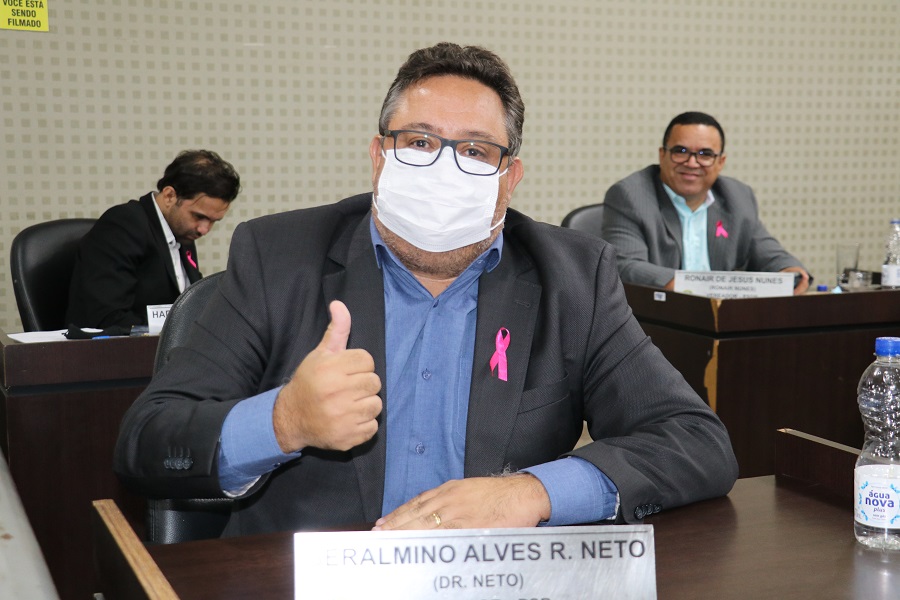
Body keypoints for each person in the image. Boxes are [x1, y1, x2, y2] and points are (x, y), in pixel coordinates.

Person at [114, 43, 737, 536]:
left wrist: (532, 494)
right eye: (418, 142)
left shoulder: (572, 276)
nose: (443, 167)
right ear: (378, 157)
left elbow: (695, 442)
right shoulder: (279, 256)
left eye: (475, 151)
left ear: (509, 177)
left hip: (492, 580)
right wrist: (284, 420)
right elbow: (148, 442)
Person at [601, 112, 811, 294]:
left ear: (721, 162)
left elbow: (768, 253)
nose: (692, 163)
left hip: (724, 317)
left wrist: (790, 272)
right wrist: (694, 288)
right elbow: (625, 265)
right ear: (662, 155)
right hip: (660, 316)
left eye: (705, 154)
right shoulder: (631, 196)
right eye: (680, 151)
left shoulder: (738, 197)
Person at [66, 150, 241, 329]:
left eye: (213, 221)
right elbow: (108, 317)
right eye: (198, 216)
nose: (204, 229)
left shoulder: (183, 234)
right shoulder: (123, 225)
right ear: (169, 196)